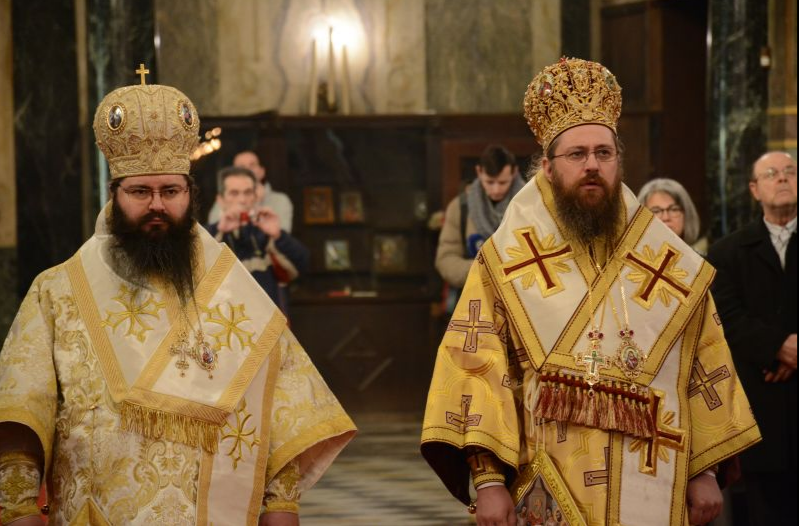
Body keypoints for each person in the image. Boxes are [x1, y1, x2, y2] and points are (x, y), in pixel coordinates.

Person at [0, 73, 355, 526]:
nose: (157, 205)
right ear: (115, 194)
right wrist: (18, 507)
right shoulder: (57, 290)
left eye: (170, 191)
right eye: (140, 192)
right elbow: (22, 409)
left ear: (190, 193)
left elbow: (278, 401)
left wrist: (282, 503)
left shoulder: (233, 288)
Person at [420, 57, 761, 526]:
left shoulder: (664, 259)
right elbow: (474, 366)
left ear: (618, 161)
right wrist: (489, 480)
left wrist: (704, 468)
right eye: (576, 155)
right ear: (547, 167)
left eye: (604, 153)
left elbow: (702, 358)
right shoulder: (506, 261)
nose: (592, 166)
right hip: (548, 476)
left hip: (654, 471)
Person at [706, 151, 797, 526]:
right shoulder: (727, 252)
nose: (783, 178)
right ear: (755, 189)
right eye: (772, 173)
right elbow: (726, 317)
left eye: (790, 171)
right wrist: (777, 348)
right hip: (762, 408)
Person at [206, 166, 309, 315]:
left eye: (248, 193)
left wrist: (278, 235)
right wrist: (218, 232)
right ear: (220, 200)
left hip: (267, 321)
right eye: (234, 193)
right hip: (224, 321)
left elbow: (304, 264)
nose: (242, 200)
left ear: (255, 197)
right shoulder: (209, 234)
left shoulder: (266, 231)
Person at [435, 144, 525, 312]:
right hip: (474, 300)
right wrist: (484, 271)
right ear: (479, 172)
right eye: (489, 182)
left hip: (521, 300)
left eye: (503, 182)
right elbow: (446, 259)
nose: (496, 190)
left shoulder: (529, 205)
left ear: (514, 172)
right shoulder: (460, 207)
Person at [207, 150, 294, 232]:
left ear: (262, 171)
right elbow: (212, 233)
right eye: (241, 167)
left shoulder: (280, 200)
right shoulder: (224, 198)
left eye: (252, 165)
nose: (247, 169)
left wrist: (256, 204)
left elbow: (281, 235)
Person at [638, 177, 708, 255]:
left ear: (687, 215)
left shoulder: (701, 261)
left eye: (674, 209)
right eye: (656, 211)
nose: (666, 217)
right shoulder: (630, 261)